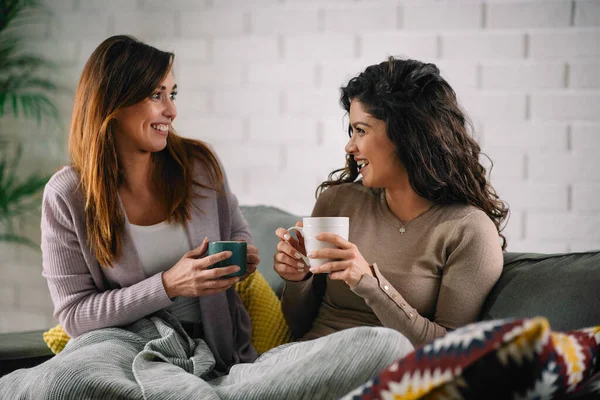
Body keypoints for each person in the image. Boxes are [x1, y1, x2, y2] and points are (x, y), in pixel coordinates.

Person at [41, 35, 258, 373]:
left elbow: (237, 232)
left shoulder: (200, 166)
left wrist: (243, 256)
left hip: (218, 356)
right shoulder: (68, 195)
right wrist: (168, 285)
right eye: (156, 95)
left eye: (172, 94)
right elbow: (74, 315)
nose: (171, 110)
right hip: (126, 358)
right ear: (112, 103)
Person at [274, 57, 508, 348]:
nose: (350, 146)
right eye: (351, 131)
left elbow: (447, 352)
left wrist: (369, 283)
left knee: (385, 347)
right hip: (299, 362)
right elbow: (298, 326)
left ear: (407, 134)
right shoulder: (337, 202)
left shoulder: (468, 230)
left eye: (361, 130)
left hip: (380, 375)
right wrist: (298, 279)